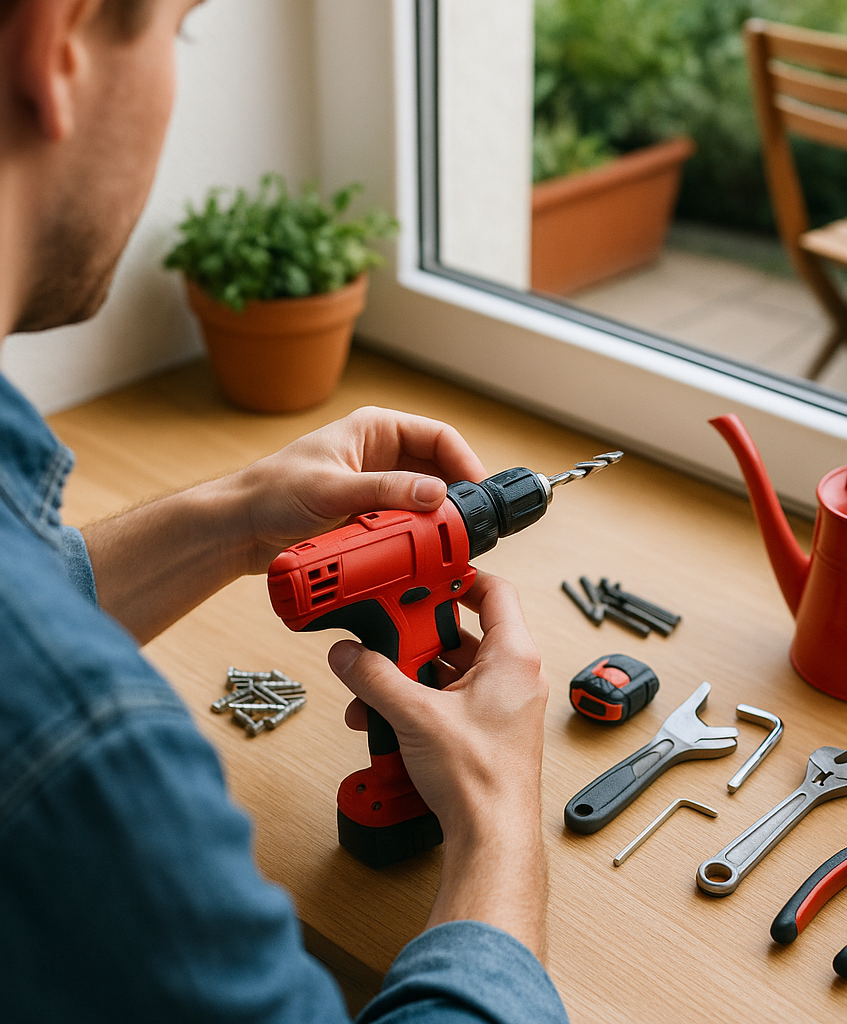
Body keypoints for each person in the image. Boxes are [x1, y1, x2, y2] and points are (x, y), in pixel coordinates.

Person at [0, 2, 569, 1021]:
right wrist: (496, 822)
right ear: (62, 42)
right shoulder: (95, 750)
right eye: (180, 32)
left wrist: (237, 516)